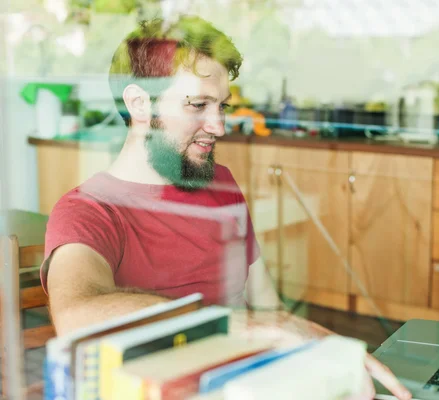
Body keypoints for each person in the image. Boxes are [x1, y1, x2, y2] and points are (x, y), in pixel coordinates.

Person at [42, 16, 411, 399]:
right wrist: (237, 326)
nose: (218, 126)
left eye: (220, 106)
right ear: (139, 103)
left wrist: (326, 359)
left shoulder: (221, 183)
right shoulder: (86, 212)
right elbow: (76, 316)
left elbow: (269, 311)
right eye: (198, 104)